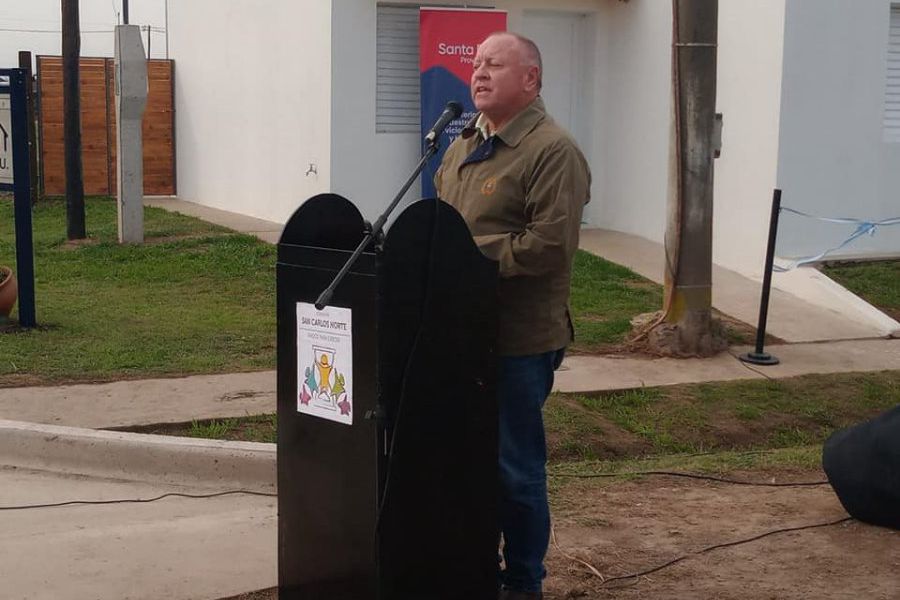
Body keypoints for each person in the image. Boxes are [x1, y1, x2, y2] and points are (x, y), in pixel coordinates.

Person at [434, 31, 591, 600]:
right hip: (461, 335)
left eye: (493, 65)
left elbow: (549, 246)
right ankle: (473, 570)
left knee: (515, 470)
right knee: (466, 463)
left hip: (520, 341)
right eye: (475, 64)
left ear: (530, 79)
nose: (477, 73)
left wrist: (468, 260)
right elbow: (442, 225)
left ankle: (523, 583)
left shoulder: (553, 150)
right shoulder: (460, 146)